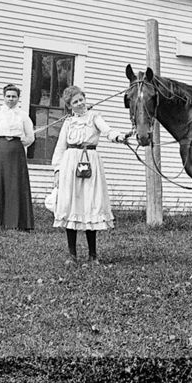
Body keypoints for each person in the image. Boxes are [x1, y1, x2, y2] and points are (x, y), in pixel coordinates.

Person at [51, 85, 129, 265]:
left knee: (89, 205)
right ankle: (72, 255)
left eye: (81, 99)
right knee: (72, 206)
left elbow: (108, 131)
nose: (80, 104)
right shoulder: (68, 122)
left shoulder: (94, 117)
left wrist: (119, 137)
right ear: (69, 106)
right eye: (75, 102)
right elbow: (60, 148)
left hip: (90, 163)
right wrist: (57, 171)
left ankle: (93, 255)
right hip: (70, 164)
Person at [0, 83, 36, 230]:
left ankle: (16, 222)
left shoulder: (23, 115)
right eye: (8, 96)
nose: (11, 99)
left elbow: (31, 137)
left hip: (16, 151)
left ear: (18, 98)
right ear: (4, 97)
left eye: (14, 96)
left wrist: (22, 142)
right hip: (0, 150)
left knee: (15, 185)